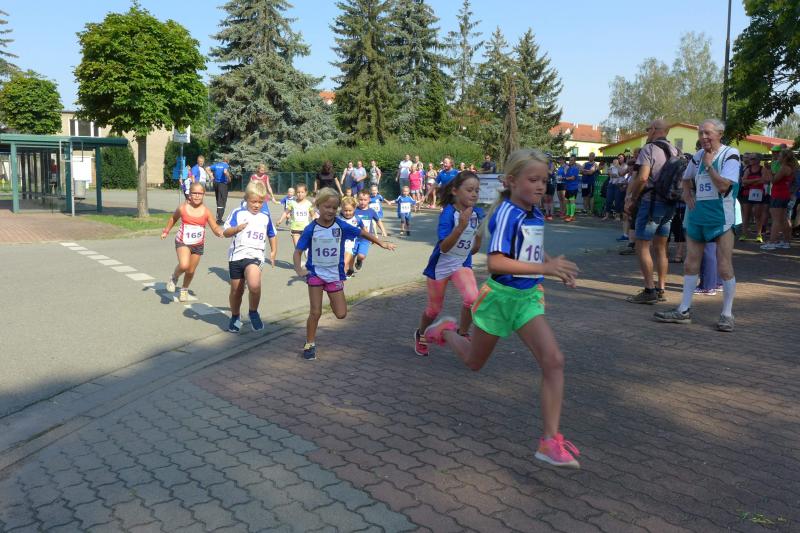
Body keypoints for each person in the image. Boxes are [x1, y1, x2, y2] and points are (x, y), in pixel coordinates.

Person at [423, 149, 581, 468]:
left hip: (527, 299)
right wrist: (546, 269)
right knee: (473, 362)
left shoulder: (534, 212)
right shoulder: (508, 213)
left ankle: (549, 441)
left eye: (544, 180)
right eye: (533, 180)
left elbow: (530, 248)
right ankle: (447, 331)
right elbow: (496, 262)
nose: (541, 186)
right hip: (499, 298)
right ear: (511, 181)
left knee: (554, 360)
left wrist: (550, 263)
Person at [654, 118, 741, 332]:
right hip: (697, 217)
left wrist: (709, 165)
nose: (703, 137)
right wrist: (686, 193)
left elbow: (724, 186)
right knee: (690, 264)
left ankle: (727, 314)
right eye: (700, 132)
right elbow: (686, 178)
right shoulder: (698, 155)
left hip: (721, 218)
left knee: (724, 266)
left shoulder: (730, 154)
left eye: (707, 133)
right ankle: (683, 310)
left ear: (720, 134)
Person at [294, 188, 396, 359]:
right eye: (327, 207)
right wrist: (299, 269)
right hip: (315, 274)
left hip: (334, 275)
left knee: (341, 314)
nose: (331, 211)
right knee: (315, 312)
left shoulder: (341, 225)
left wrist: (381, 243)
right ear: (318, 205)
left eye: (334, 208)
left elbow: (362, 232)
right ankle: (309, 343)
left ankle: (332, 295)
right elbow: (298, 251)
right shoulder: (311, 229)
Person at [414, 171, 484, 357]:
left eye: (477, 190)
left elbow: (473, 250)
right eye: (469, 190)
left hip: (462, 264)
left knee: (473, 299)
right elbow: (444, 248)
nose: (474, 194)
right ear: (455, 191)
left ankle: (463, 333)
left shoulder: (478, 213)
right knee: (433, 310)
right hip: (440, 267)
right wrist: (460, 227)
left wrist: (479, 235)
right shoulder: (448, 213)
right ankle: (421, 334)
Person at [623, 119, 679, 304]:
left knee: (642, 245)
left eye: (648, 129)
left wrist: (632, 198)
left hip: (651, 203)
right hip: (669, 203)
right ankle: (661, 288)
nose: (647, 132)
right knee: (661, 248)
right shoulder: (675, 151)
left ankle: (649, 290)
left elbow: (643, 177)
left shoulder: (649, 149)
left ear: (654, 130)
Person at [223, 182, 278, 333]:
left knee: (254, 285)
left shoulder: (265, 217)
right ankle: (235, 316)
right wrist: (236, 229)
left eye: (260, 202)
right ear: (246, 198)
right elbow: (225, 232)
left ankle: (253, 312)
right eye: (254, 201)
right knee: (237, 291)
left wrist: (273, 251)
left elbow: (272, 234)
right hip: (236, 256)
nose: (257, 205)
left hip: (255, 256)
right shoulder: (238, 213)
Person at [161, 182, 223, 302]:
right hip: (183, 241)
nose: (197, 196)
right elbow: (173, 218)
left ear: (204, 195)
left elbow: (215, 227)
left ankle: (184, 289)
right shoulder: (183, 208)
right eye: (194, 193)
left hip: (198, 245)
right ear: (190, 194)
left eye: (200, 193)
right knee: (184, 265)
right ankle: (174, 277)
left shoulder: (206, 211)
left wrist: (219, 232)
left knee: (190, 271)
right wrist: (166, 231)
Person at [760, 149, 797, 250]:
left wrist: (768, 170)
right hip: (783, 194)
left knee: (776, 220)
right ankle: (786, 241)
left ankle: (772, 242)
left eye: (780, 155)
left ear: (784, 158)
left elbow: (774, 180)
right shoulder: (788, 167)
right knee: (784, 219)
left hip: (779, 194)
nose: (778, 157)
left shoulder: (784, 168)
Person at [739, 154, 770, 242]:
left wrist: (750, 182)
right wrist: (757, 180)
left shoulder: (763, 169)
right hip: (747, 193)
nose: (750, 160)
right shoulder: (748, 169)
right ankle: (744, 234)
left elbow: (765, 180)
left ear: (758, 160)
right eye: (749, 158)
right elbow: (743, 181)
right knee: (746, 215)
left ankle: (759, 235)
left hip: (758, 193)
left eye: (752, 159)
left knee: (758, 215)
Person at [277, 183, 315, 249]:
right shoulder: (292, 203)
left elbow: (313, 215)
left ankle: (307, 255)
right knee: (298, 249)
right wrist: (280, 220)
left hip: (306, 229)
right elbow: (286, 212)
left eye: (302, 192)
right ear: (295, 193)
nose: (300, 194)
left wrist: (316, 225)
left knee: (307, 249)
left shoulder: (309, 204)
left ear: (306, 193)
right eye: (298, 192)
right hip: (295, 228)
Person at [352, 190, 382, 272]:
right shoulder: (354, 210)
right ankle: (350, 271)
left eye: (365, 200)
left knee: (361, 256)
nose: (362, 202)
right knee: (352, 255)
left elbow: (378, 221)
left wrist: (383, 230)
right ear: (357, 200)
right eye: (361, 199)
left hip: (366, 238)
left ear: (369, 200)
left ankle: (359, 261)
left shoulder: (371, 211)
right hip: (354, 237)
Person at [339, 196, 363, 278]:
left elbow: (364, 230)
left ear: (354, 209)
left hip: (350, 245)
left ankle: (339, 281)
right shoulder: (338, 218)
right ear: (341, 209)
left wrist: (369, 238)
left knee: (344, 263)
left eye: (350, 210)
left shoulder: (357, 219)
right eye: (345, 210)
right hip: (338, 245)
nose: (348, 213)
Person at [209, 156, 232, 224]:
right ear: (227, 161)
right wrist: (228, 176)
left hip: (216, 184)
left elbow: (207, 168)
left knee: (218, 200)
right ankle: (219, 219)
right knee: (222, 201)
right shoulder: (226, 165)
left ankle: (218, 216)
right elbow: (225, 172)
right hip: (222, 184)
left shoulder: (217, 165)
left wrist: (211, 175)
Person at [561, 156, 581, 222]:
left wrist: (564, 178)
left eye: (572, 160)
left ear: (575, 161)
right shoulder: (568, 168)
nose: (570, 161)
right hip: (567, 187)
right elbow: (565, 176)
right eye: (570, 160)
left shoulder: (575, 168)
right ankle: (568, 214)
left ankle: (572, 216)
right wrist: (563, 177)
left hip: (573, 187)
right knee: (567, 201)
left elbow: (573, 177)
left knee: (572, 201)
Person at [543, 157, 556, 221]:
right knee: (545, 199)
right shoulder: (544, 164)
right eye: (546, 157)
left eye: (548, 157)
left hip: (551, 183)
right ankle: (547, 213)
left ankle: (551, 214)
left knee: (550, 199)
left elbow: (551, 172)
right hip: (545, 183)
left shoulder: (552, 164)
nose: (547, 159)